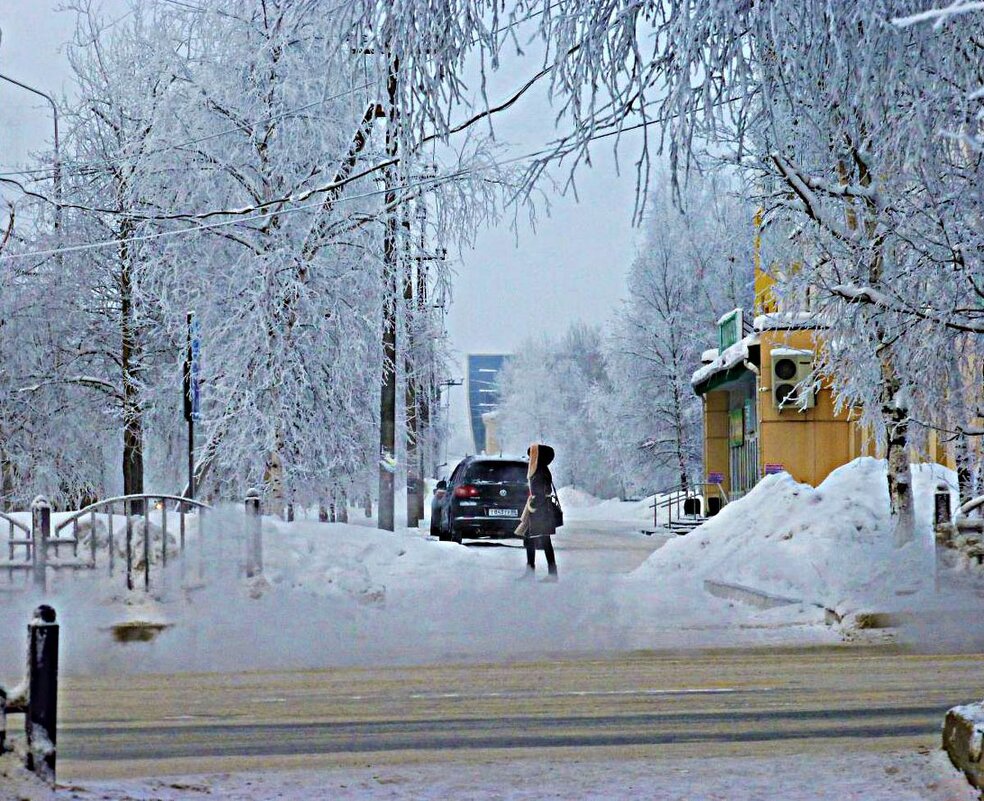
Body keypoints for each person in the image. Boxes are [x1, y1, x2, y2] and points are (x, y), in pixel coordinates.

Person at [515, 443, 559, 578]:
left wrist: (532, 505)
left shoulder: (539, 471)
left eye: (532, 455)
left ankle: (544, 572)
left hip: (540, 512)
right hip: (541, 510)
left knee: (540, 540)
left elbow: (539, 493)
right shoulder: (541, 469)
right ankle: (544, 571)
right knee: (536, 540)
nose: (530, 458)